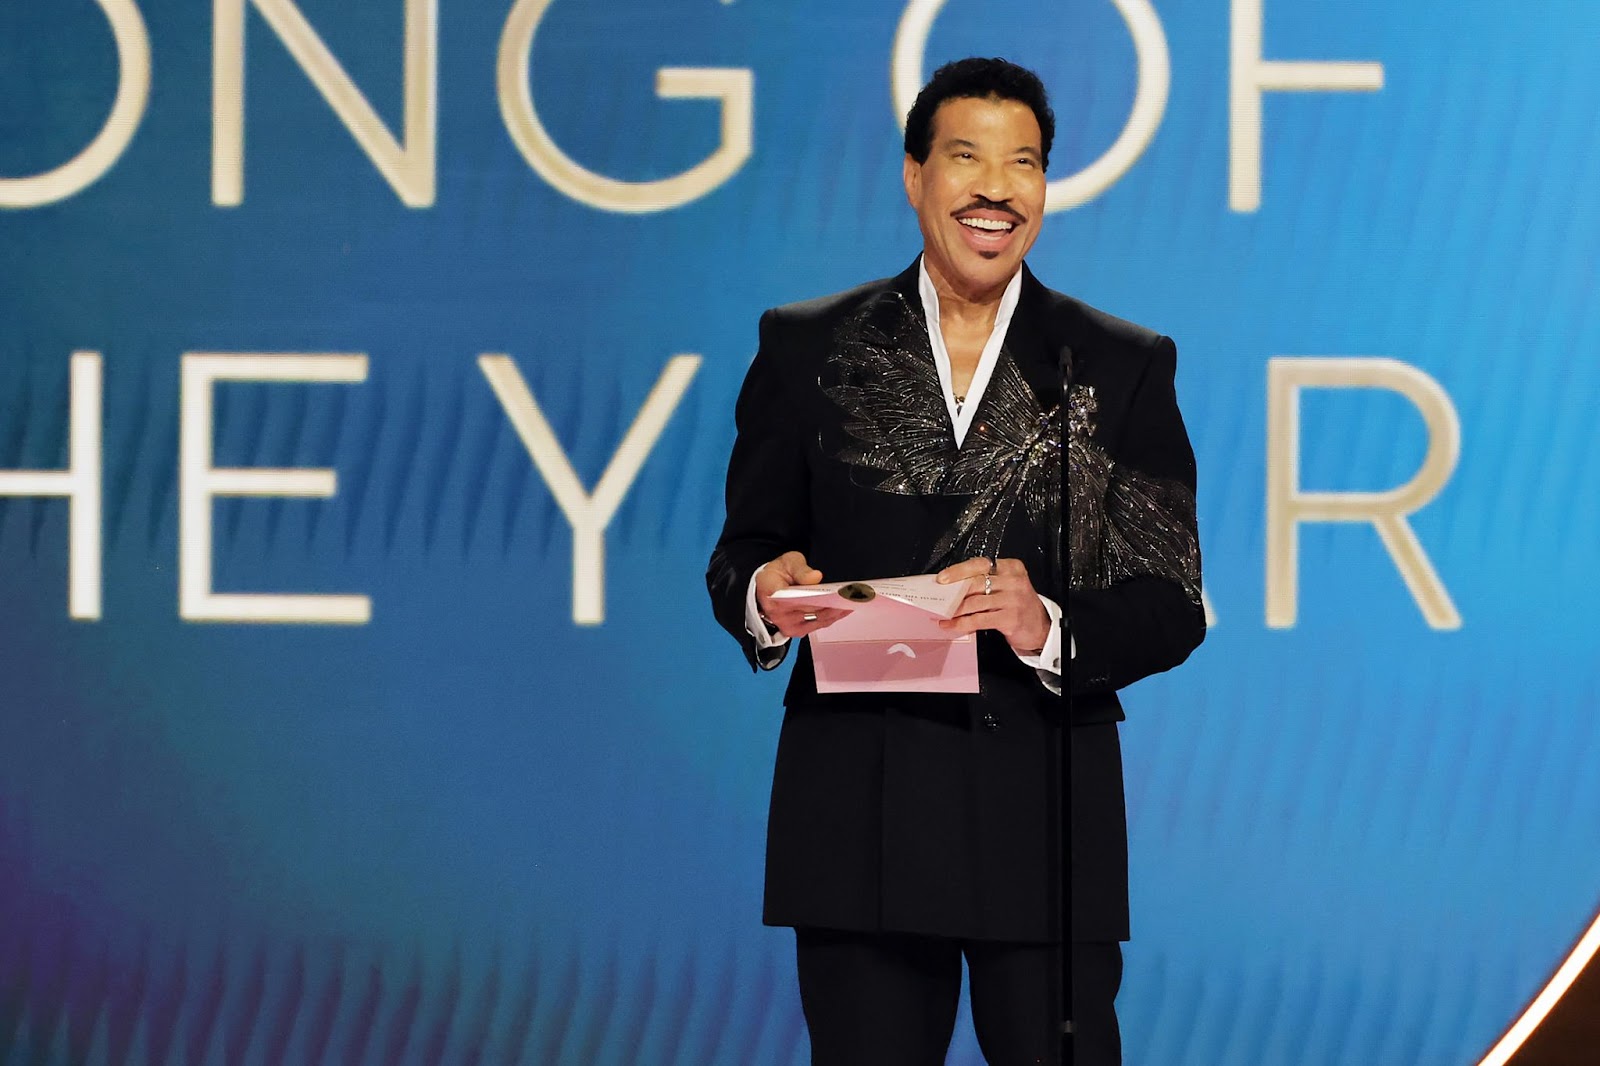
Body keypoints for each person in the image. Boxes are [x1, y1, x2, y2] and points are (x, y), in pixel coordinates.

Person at [706, 57, 1204, 1066]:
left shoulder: (1115, 362)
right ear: (913, 175)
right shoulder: (808, 348)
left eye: (1022, 162)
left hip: (1042, 816)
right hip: (858, 813)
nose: (995, 187)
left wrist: (1047, 623)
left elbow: (1171, 602)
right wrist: (763, 591)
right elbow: (744, 550)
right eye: (965, 156)